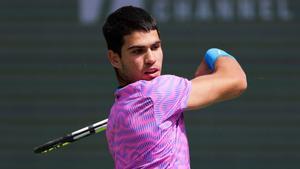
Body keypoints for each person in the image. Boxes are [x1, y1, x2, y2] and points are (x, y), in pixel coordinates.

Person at [102, 6, 247, 169]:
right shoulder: (159, 91)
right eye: (138, 51)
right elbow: (237, 80)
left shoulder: (116, 117)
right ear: (114, 58)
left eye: (155, 47)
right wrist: (213, 54)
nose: (151, 58)